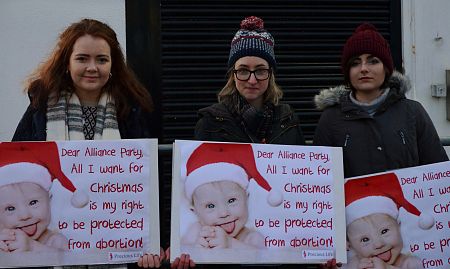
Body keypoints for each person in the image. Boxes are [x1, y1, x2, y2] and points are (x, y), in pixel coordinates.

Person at [10, 18, 193, 269]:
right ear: (67, 62)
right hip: (50, 248)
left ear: (113, 65)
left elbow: (149, 184)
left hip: (116, 245)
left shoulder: (132, 109)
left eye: (102, 59)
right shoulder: (41, 107)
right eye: (82, 58)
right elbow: (15, 169)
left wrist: (153, 241)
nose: (92, 67)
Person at [313, 22, 448, 179]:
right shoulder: (331, 119)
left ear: (386, 68)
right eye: (355, 63)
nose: (364, 68)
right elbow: (320, 182)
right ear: (348, 72)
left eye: (373, 61)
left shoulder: (413, 112)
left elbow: (439, 172)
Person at [195, 16, 305, 145]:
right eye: (243, 70)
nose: (252, 80)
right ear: (233, 74)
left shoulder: (288, 120)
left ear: (270, 75)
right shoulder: (209, 122)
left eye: (260, 71)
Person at [181, 143, 282, 250]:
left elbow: (259, 258)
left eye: (231, 200)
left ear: (247, 200)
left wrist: (230, 244)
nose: (224, 213)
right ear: (195, 212)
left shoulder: (252, 238)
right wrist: (195, 251)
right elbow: (180, 253)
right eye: (210, 206)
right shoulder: (195, 232)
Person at [0, 142, 88, 253]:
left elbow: (67, 262)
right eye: (10, 208)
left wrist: (32, 247)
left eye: (33, 202)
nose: (25, 216)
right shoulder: (3, 240)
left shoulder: (56, 241)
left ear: (49, 201)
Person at [344, 173, 427, 269]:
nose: (378, 244)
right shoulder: (353, 265)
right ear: (349, 245)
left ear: (399, 227)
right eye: (365, 239)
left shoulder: (411, 264)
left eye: (384, 231)